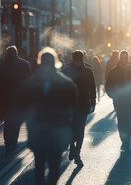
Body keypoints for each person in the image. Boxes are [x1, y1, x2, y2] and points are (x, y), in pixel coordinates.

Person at [17, 47, 78, 184]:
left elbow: (73, 110)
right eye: (45, 63)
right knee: (39, 165)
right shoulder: (30, 84)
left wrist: (72, 132)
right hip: (37, 131)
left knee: (54, 166)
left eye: (50, 63)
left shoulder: (66, 84)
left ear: (55, 63)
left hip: (57, 132)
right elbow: (20, 105)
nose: (47, 66)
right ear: (40, 63)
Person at [0, 45, 31, 154]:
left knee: (8, 122)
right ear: (16, 52)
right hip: (19, 100)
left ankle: (7, 142)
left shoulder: (1, 65)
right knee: (16, 122)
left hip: (5, 99)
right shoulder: (24, 64)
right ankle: (13, 143)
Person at [62, 50, 96, 166]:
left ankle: (77, 153)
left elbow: (93, 88)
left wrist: (93, 103)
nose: (77, 62)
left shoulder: (88, 71)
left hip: (82, 104)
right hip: (69, 105)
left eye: (79, 60)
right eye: (76, 60)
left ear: (82, 60)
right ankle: (72, 147)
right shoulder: (66, 71)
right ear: (73, 59)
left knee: (80, 129)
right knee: (72, 129)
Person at [105, 50, 131, 154]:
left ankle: (126, 143)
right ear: (120, 58)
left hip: (129, 101)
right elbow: (108, 85)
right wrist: (113, 95)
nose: (124, 60)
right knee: (121, 122)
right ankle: (123, 140)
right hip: (119, 101)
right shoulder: (114, 71)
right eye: (122, 57)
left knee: (128, 122)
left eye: (125, 58)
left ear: (128, 58)